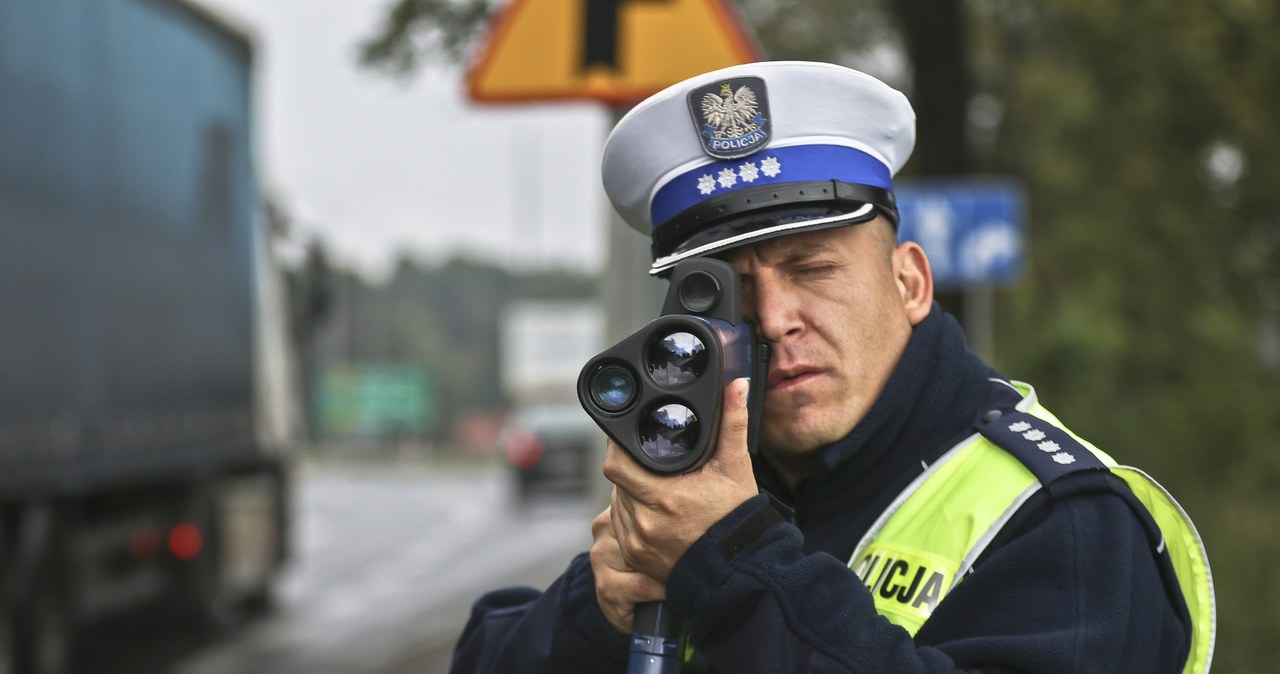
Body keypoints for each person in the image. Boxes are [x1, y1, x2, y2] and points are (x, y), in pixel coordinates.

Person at [449, 61, 1214, 673]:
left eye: (812, 269)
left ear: (910, 282)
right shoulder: (713, 492)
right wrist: (600, 612)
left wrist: (731, 568)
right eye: (732, 290)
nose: (773, 317)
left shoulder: (1065, 521)